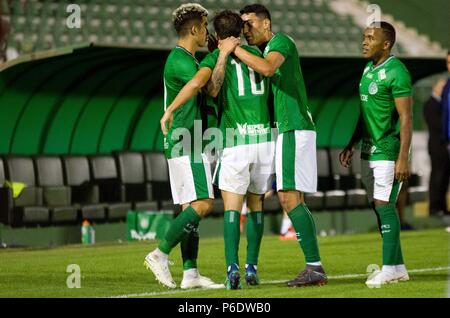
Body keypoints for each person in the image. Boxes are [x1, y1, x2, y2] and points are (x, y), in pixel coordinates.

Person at [161, 10, 275, 290]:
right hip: (264, 140)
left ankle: (230, 269)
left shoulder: (212, 58)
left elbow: (207, 87)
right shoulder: (261, 55)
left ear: (214, 33)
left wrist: (170, 109)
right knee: (256, 204)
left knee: (227, 208)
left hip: (235, 141)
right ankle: (251, 268)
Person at [232, 4, 327, 287]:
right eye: (241, 25)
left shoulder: (280, 41)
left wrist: (232, 49)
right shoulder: (263, 48)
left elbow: (269, 68)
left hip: (293, 127)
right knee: (292, 198)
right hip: (288, 129)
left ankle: (314, 266)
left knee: (287, 198)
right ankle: (314, 267)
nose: (245, 30)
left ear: (266, 23)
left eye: (249, 23)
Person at [144, 3, 224, 290]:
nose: (207, 32)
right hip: (185, 139)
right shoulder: (179, 59)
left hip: (191, 138)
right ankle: (159, 253)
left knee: (190, 206)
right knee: (203, 203)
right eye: (204, 27)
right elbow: (203, 81)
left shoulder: (187, 58)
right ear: (194, 29)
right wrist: (219, 52)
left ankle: (190, 273)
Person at [339, 21, 412, 288]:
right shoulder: (368, 69)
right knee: (378, 206)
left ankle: (389, 268)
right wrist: (351, 143)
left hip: (388, 150)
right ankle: (399, 267)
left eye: (370, 38)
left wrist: (403, 157)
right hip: (367, 150)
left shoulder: (397, 72)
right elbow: (364, 112)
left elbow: (406, 118)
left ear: (386, 43)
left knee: (384, 206)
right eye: (364, 37)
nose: (364, 42)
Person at [423, 66, 450, 217]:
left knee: (444, 177)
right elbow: (436, 125)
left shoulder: (440, 104)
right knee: (437, 177)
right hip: (436, 146)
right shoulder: (430, 104)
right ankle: (434, 207)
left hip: (442, 145)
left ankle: (442, 207)